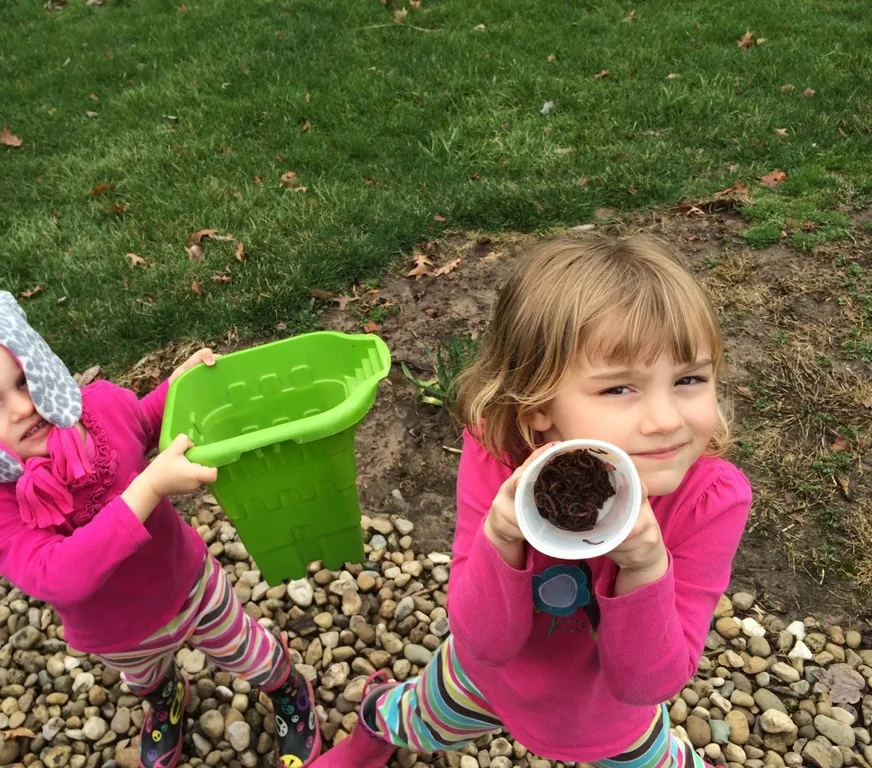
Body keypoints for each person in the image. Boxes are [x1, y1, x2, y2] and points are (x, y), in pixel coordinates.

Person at [315, 235, 751, 768]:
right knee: (415, 718)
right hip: (482, 684)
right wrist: (501, 537)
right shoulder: (497, 456)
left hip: (610, 720)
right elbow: (483, 643)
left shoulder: (710, 501)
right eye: (619, 389)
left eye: (689, 379)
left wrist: (644, 566)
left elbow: (648, 683)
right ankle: (375, 726)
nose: (666, 419)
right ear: (539, 403)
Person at [0, 291, 320, 768]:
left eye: (24, 379)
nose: (20, 407)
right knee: (145, 679)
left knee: (248, 651)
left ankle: (287, 689)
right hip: (116, 632)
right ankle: (166, 696)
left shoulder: (103, 407)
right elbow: (58, 577)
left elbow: (149, 419)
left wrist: (180, 390)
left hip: (190, 584)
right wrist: (148, 488)